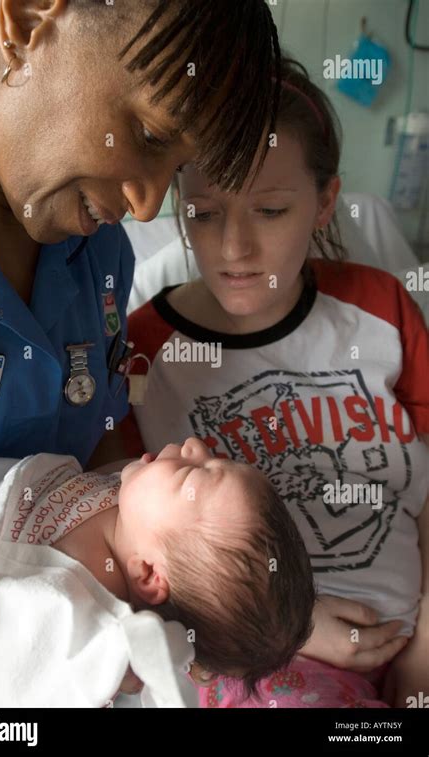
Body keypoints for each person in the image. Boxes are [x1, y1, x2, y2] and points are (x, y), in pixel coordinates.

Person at [122, 58, 429, 707]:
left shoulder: (382, 309)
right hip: (261, 660)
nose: (234, 248)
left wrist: (427, 639)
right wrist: (290, 623)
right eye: (204, 214)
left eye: (270, 210)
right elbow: (126, 551)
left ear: (324, 202)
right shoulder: (145, 352)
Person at [0, 0, 280, 468]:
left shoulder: (101, 256)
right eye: (148, 136)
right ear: (28, 22)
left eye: (178, 168)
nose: (146, 209)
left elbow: (96, 441)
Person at [0, 437, 315, 705]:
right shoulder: (131, 507)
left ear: (148, 575)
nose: (194, 445)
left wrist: (120, 658)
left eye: (191, 473)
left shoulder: (80, 619)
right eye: (216, 458)